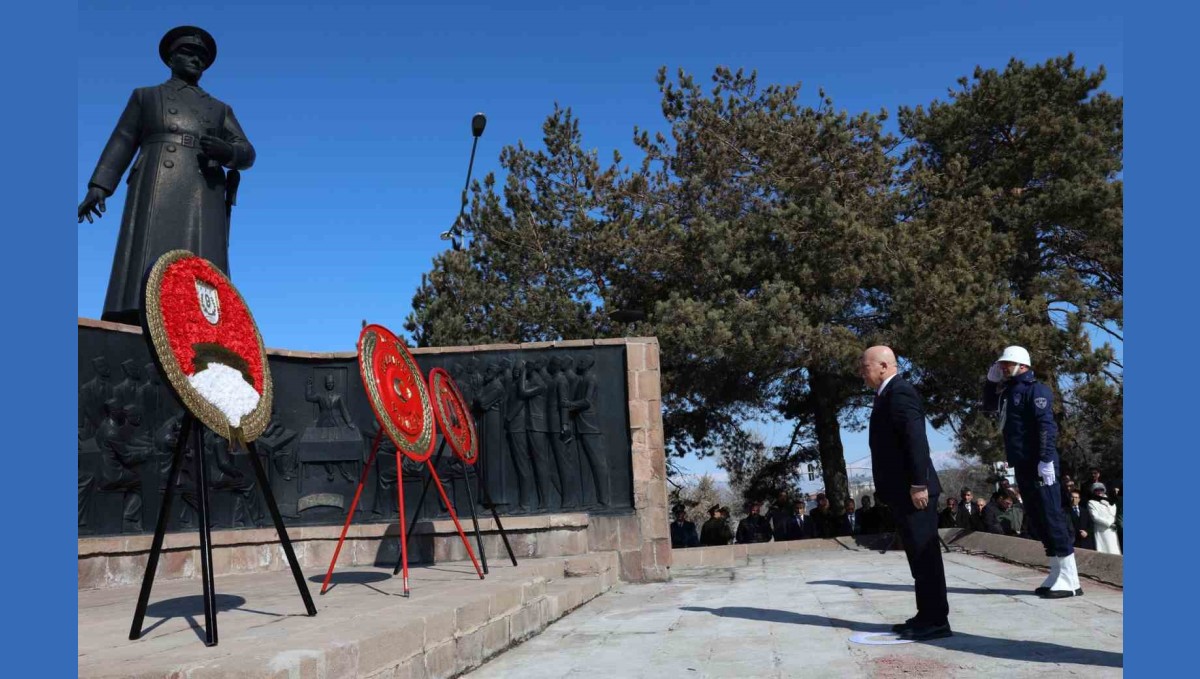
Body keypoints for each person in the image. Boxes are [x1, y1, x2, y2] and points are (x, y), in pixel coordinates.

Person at [78, 26, 256, 325]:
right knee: (149, 258)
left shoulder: (219, 108)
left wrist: (227, 151)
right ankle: (136, 311)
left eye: (202, 57)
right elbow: (123, 139)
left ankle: (203, 316)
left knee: (200, 261)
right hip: (157, 182)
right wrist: (100, 185)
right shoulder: (146, 97)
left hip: (203, 188)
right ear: (171, 59)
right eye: (189, 53)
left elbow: (247, 151)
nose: (196, 60)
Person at [861, 346, 951, 640]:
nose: (863, 372)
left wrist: (918, 483)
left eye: (866, 366)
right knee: (916, 556)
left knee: (925, 556)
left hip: (915, 491)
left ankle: (936, 620)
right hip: (902, 491)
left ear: (884, 366)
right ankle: (926, 614)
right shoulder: (885, 395)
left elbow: (915, 439)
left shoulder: (900, 392)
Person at [983, 346, 1081, 598]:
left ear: (1021, 365)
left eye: (1007, 364)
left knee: (1051, 516)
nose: (1002, 367)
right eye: (1001, 364)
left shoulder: (1035, 390)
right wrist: (989, 383)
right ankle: (1056, 571)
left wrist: (1046, 459)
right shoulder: (1007, 391)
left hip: (1039, 463)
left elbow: (1046, 426)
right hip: (1023, 464)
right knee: (1037, 519)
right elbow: (988, 408)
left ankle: (1070, 579)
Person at [1086, 483, 1121, 555]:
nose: (1099, 492)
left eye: (1101, 490)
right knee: (1104, 550)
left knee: (1114, 550)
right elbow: (1095, 517)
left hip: (1112, 530)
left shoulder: (1110, 501)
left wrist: (1112, 522)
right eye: (1096, 490)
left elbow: (1113, 513)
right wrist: (1109, 523)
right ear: (1093, 491)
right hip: (1101, 530)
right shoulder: (1091, 502)